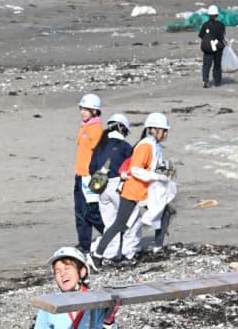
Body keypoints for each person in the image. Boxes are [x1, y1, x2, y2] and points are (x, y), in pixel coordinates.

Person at [92, 112, 173, 266]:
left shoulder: (154, 146)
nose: (166, 133)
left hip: (143, 190)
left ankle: (158, 246)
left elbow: (150, 166)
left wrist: (164, 167)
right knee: (119, 224)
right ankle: (97, 254)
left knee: (165, 212)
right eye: (164, 130)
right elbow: (136, 169)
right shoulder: (145, 146)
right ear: (153, 129)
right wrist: (158, 177)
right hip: (133, 190)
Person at [93, 114, 141, 264]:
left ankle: (111, 254)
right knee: (131, 220)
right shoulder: (125, 146)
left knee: (110, 223)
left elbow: (91, 168)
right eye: (126, 131)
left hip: (100, 187)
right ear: (122, 128)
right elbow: (131, 168)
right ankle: (129, 254)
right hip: (117, 185)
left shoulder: (99, 146)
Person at [73, 93, 105, 253]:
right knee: (80, 211)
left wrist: (96, 177)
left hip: (89, 176)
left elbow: (99, 154)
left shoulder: (97, 129)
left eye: (86, 109)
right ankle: (84, 243)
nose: (82, 112)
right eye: (82, 109)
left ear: (95, 111)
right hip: (80, 175)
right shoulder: (84, 127)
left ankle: (109, 234)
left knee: (91, 211)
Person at [198, 4, 226, 88]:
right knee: (217, 65)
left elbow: (201, 36)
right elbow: (222, 37)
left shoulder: (205, 25)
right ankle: (217, 82)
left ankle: (206, 81)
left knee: (206, 65)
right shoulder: (221, 25)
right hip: (218, 48)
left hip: (208, 48)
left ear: (209, 15)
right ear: (217, 15)